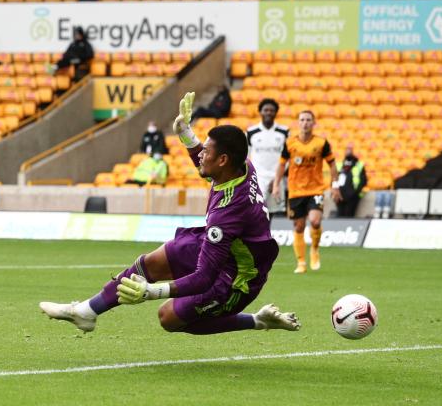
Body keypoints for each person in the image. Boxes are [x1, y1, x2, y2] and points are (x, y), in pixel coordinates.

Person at [40, 92, 300, 337]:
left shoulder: (228, 212)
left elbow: (204, 277)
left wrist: (152, 292)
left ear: (222, 160)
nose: (202, 156)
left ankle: (257, 320)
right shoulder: (242, 165)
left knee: (168, 318)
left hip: (237, 279)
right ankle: (85, 312)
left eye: (207, 152)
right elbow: (208, 161)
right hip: (228, 246)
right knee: (151, 262)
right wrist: (187, 134)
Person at [272, 110, 338, 274]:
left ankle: (314, 250)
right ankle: (301, 262)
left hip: (316, 189)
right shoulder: (290, 143)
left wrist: (335, 185)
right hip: (296, 191)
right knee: (299, 226)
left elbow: (332, 164)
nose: (305, 122)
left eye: (309, 120)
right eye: (302, 119)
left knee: (315, 221)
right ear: (298, 123)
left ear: (314, 123)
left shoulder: (322, 143)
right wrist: (276, 185)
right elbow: (281, 165)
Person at [246, 98, 288, 217]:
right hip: (258, 178)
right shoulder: (251, 132)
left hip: (277, 179)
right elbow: (247, 156)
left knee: (277, 213)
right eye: (266, 110)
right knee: (258, 213)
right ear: (260, 112)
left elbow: (287, 158)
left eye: (272, 110)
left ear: (276, 113)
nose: (269, 112)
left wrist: (277, 179)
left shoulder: (284, 132)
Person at [336, 146, 367, 218]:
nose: (348, 152)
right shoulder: (340, 165)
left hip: (353, 196)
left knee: (349, 215)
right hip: (340, 195)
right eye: (347, 150)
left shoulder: (359, 165)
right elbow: (334, 179)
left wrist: (354, 192)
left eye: (350, 150)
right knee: (340, 216)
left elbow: (363, 181)